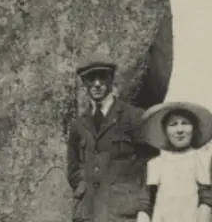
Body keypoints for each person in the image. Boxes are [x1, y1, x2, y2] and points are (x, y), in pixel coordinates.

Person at [67, 53, 156, 222]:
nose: (97, 84)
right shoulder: (78, 125)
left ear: (111, 78)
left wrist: (144, 208)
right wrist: (82, 188)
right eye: (91, 78)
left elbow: (149, 166)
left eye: (103, 77)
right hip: (88, 213)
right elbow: (72, 169)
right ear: (84, 83)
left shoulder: (134, 117)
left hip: (123, 213)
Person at [136, 101, 212, 222]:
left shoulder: (202, 160)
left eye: (185, 123)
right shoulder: (155, 164)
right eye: (173, 124)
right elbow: (145, 204)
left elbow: (207, 201)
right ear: (165, 131)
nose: (179, 130)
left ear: (194, 129)